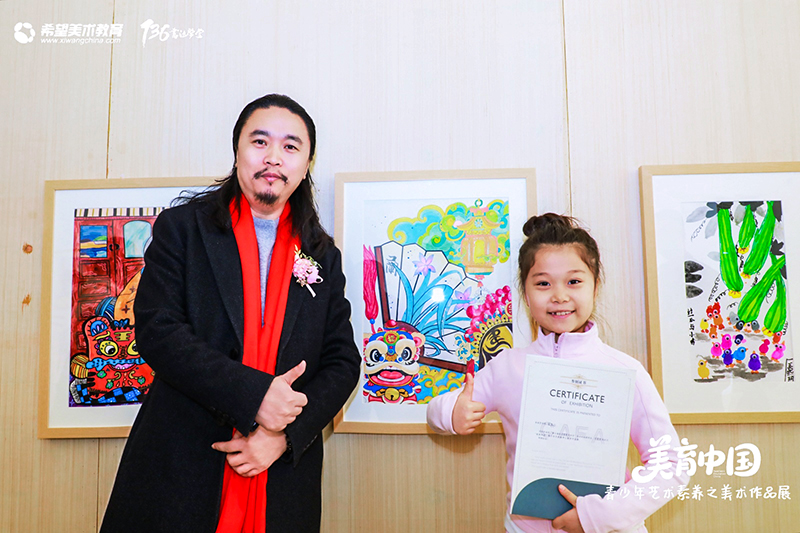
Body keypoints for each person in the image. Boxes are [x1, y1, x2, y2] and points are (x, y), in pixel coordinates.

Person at [101, 94, 360, 532]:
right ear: (238, 151)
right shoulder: (183, 229)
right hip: (183, 461)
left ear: (306, 164)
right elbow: (159, 331)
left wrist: (282, 436)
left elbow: (343, 362)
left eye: (290, 146)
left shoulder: (322, 254)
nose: (273, 157)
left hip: (281, 476)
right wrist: (256, 396)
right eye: (260, 141)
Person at [427, 213, 689, 533]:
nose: (560, 296)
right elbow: (439, 410)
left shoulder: (625, 371)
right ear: (525, 294)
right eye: (543, 283)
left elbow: (671, 465)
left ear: (596, 287)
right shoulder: (508, 366)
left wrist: (597, 516)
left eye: (574, 281)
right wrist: (451, 413)